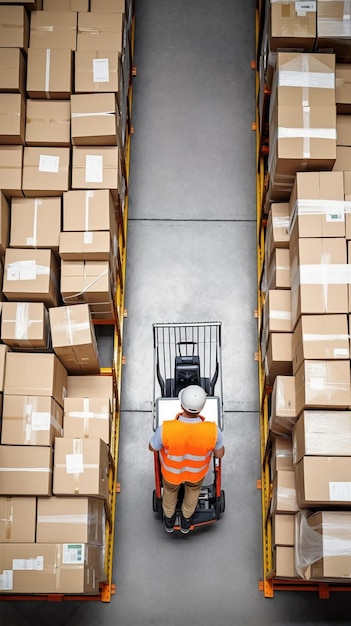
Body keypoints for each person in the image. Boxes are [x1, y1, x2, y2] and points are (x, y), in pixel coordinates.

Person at [149, 384, 225, 534]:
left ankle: (169, 522)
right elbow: (219, 454)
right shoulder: (213, 431)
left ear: (181, 405)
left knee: (170, 494)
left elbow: (152, 448)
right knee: (192, 494)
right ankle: (186, 522)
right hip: (196, 474)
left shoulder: (166, 428)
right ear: (202, 408)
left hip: (171, 474)